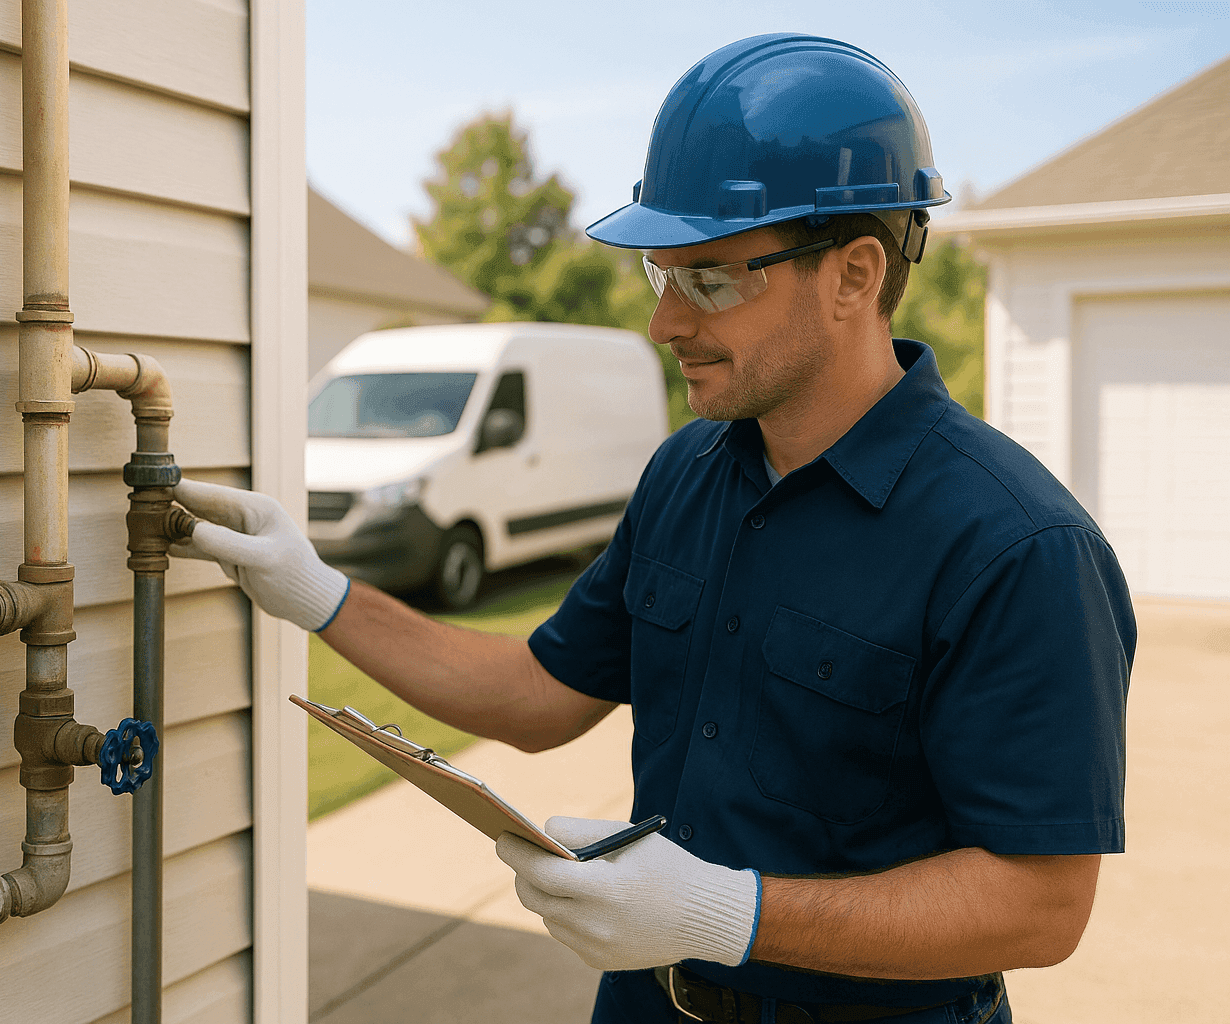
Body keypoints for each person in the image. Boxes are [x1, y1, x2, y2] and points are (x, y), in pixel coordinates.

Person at [170, 33, 1133, 1024]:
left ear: (854, 275)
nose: (665, 324)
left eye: (710, 278)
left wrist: (727, 913)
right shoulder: (687, 473)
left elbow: (1040, 902)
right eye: (659, 275)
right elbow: (542, 694)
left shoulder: (1017, 547)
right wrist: (319, 593)